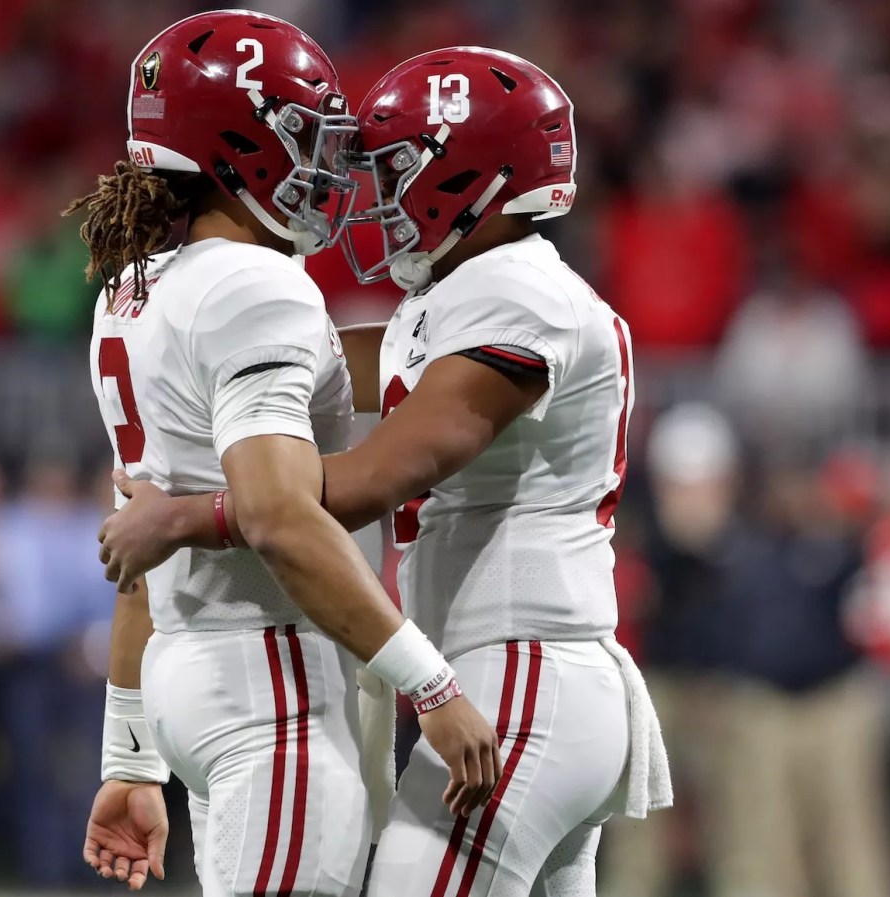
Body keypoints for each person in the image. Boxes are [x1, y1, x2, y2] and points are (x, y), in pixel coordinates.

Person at [99, 47, 672, 897]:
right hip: (517, 670)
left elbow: (371, 476)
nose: (375, 194)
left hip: (524, 669)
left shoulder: (519, 294)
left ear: (472, 174)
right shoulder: (463, 293)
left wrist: (186, 512)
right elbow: (325, 370)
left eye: (399, 170)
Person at [69, 12, 500, 896]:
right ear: (238, 145)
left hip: (192, 667)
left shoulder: (136, 288)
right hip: (273, 676)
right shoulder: (257, 287)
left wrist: (131, 751)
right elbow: (276, 517)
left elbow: (143, 537)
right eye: (304, 135)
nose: (326, 165)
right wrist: (431, 683)